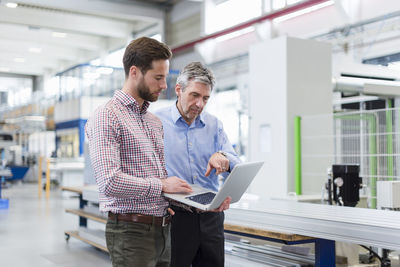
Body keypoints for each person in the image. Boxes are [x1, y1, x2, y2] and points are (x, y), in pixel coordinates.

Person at [86, 37, 192, 267]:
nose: (165, 85)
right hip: (131, 233)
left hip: (163, 230)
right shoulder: (107, 115)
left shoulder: (153, 121)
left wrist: (192, 200)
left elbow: (159, 177)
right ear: (134, 72)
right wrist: (162, 186)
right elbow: (109, 181)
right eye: (158, 77)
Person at [155, 62, 241, 267]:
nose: (200, 104)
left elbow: (236, 162)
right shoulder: (156, 123)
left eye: (205, 98)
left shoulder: (214, 125)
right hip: (175, 218)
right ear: (178, 90)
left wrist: (223, 157)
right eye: (194, 95)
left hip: (212, 217)